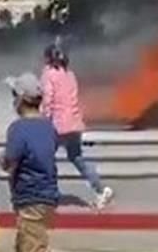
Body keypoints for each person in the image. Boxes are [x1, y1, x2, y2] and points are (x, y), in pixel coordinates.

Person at [0, 72, 76, 252]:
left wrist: (3, 160)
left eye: (14, 96)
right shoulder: (48, 127)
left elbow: (11, 161)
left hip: (30, 198)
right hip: (48, 196)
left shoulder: (18, 129)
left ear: (20, 100)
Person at [40, 44, 113, 209]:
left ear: (48, 59)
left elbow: (48, 100)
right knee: (77, 157)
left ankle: (47, 193)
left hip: (58, 125)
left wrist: (43, 120)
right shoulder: (70, 75)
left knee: (45, 158)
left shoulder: (48, 75)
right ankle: (101, 189)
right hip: (74, 123)